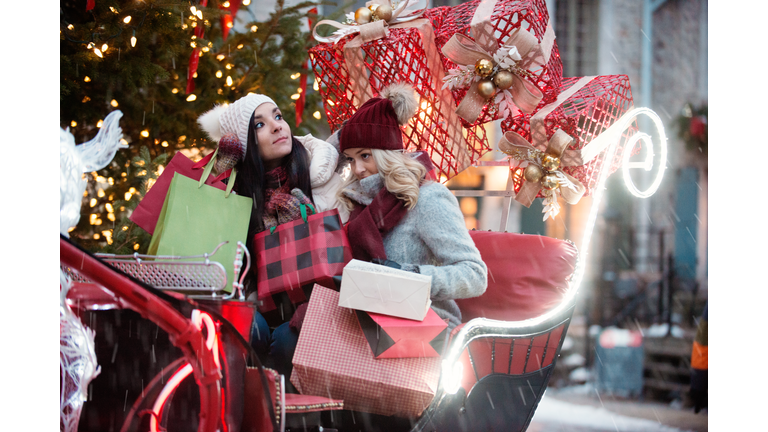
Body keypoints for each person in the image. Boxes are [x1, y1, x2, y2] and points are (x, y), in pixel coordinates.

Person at [197, 93, 348, 377]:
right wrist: (221, 174)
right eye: (259, 125)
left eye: (278, 116)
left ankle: (287, 415)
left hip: (317, 307)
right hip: (260, 306)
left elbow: (343, 256)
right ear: (244, 144)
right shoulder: (239, 193)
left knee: (288, 343)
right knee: (244, 326)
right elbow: (211, 248)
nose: (278, 126)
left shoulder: (322, 178)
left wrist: (304, 225)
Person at [336, 83, 488, 329]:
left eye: (365, 156)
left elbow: (474, 276)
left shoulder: (428, 199)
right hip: (367, 320)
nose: (358, 169)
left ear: (387, 153)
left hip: (423, 324)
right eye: (351, 159)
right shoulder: (355, 203)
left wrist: (407, 276)